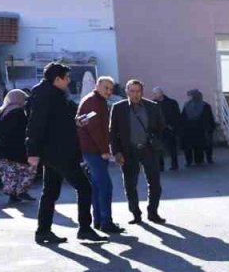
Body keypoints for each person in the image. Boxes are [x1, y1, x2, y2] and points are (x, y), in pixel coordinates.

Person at [26, 62, 102, 244]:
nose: (69, 81)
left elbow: (60, 120)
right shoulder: (46, 96)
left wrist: (77, 122)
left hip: (55, 152)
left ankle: (43, 231)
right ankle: (84, 228)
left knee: (50, 192)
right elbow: (35, 125)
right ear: (57, 79)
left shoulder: (54, 94)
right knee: (84, 187)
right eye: (66, 77)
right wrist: (33, 152)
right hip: (59, 152)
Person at [109, 79, 167, 225]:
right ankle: (136, 213)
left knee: (154, 183)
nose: (135, 94)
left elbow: (161, 126)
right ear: (127, 91)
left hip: (148, 149)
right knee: (130, 184)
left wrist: (156, 141)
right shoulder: (118, 108)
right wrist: (116, 152)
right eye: (132, 91)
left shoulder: (152, 107)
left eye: (138, 91)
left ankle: (153, 212)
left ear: (142, 91)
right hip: (129, 151)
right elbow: (112, 132)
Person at [77, 76, 124, 234]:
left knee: (98, 187)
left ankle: (99, 221)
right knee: (105, 186)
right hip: (93, 151)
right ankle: (106, 222)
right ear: (97, 86)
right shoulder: (93, 102)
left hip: (92, 150)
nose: (109, 91)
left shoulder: (96, 100)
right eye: (106, 88)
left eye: (111, 89)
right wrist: (104, 150)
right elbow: (94, 129)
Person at [0, 90, 36, 203]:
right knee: (26, 170)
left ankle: (13, 195)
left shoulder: (1, 112)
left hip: (3, 148)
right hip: (18, 148)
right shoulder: (19, 112)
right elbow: (25, 129)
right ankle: (22, 191)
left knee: (10, 172)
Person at [180, 89, 216, 166]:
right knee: (197, 145)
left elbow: (183, 118)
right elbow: (210, 119)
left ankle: (191, 161)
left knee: (194, 146)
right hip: (196, 129)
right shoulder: (204, 105)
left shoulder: (188, 105)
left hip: (193, 129)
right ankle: (198, 160)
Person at [152, 87, 183, 170]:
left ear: (161, 93)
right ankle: (160, 166)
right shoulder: (153, 104)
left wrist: (172, 126)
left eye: (155, 93)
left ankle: (174, 164)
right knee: (158, 148)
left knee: (172, 147)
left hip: (169, 129)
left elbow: (176, 115)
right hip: (158, 129)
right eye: (154, 93)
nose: (154, 95)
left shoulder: (172, 103)